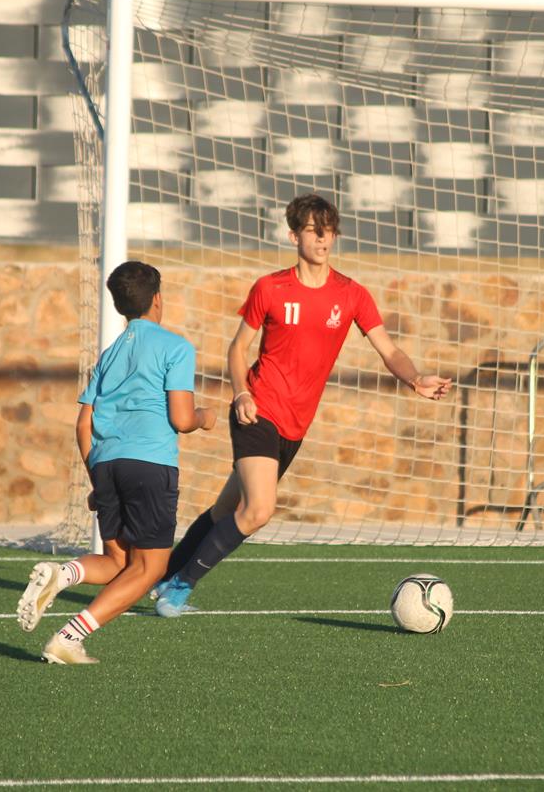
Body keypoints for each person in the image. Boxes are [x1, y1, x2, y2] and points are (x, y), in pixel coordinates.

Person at [152, 193, 451, 617]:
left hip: (295, 425)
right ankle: (180, 587)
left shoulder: (352, 294)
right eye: (313, 229)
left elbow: (388, 349)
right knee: (257, 511)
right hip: (259, 410)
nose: (323, 238)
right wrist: (241, 393)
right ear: (294, 235)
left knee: (225, 511)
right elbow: (237, 348)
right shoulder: (270, 288)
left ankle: (162, 576)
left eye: (328, 229)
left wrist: (415, 377)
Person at [16, 260, 215, 664]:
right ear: (158, 299)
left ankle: (65, 573)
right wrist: (204, 418)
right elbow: (180, 418)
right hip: (150, 464)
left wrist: (97, 478)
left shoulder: (109, 355)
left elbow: (83, 422)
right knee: (151, 569)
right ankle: (69, 637)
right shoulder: (176, 347)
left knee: (119, 562)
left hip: (107, 464)